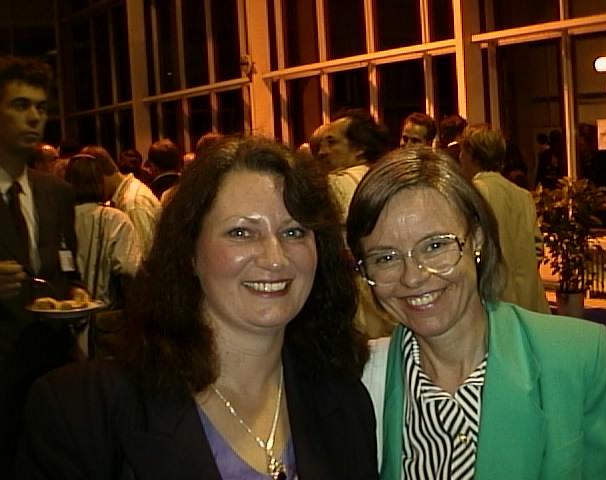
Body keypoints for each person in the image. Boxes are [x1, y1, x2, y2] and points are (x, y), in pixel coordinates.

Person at [18, 136, 378, 479]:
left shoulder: (345, 403)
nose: (275, 258)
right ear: (189, 252)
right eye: (241, 232)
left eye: (294, 232)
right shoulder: (82, 411)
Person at [347, 147, 606, 479]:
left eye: (435, 245)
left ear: (477, 240)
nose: (412, 277)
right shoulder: (360, 382)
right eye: (385, 258)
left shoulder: (577, 357)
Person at [0, 55, 89, 477]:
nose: (34, 117)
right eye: (20, 105)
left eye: (40, 107)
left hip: (52, 368)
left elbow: (68, 270)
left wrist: (76, 295)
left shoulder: (57, 192)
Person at [315, 109, 395, 339]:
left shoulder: (335, 185)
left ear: (359, 148)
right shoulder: (388, 178)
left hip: (358, 301)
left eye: (332, 143)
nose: (322, 152)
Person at [459, 124, 549, 313]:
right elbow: (537, 249)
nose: (460, 158)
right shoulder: (523, 196)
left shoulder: (471, 195)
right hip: (529, 300)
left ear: (472, 154)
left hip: (493, 303)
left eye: (462, 152)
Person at [64, 153, 141, 308]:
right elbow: (129, 270)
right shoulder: (115, 220)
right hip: (106, 313)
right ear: (100, 181)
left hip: (65, 312)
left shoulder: (59, 218)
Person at [81, 145, 160, 255]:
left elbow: (143, 255)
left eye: (89, 182)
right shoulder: (130, 193)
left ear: (99, 175)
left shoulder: (132, 204)